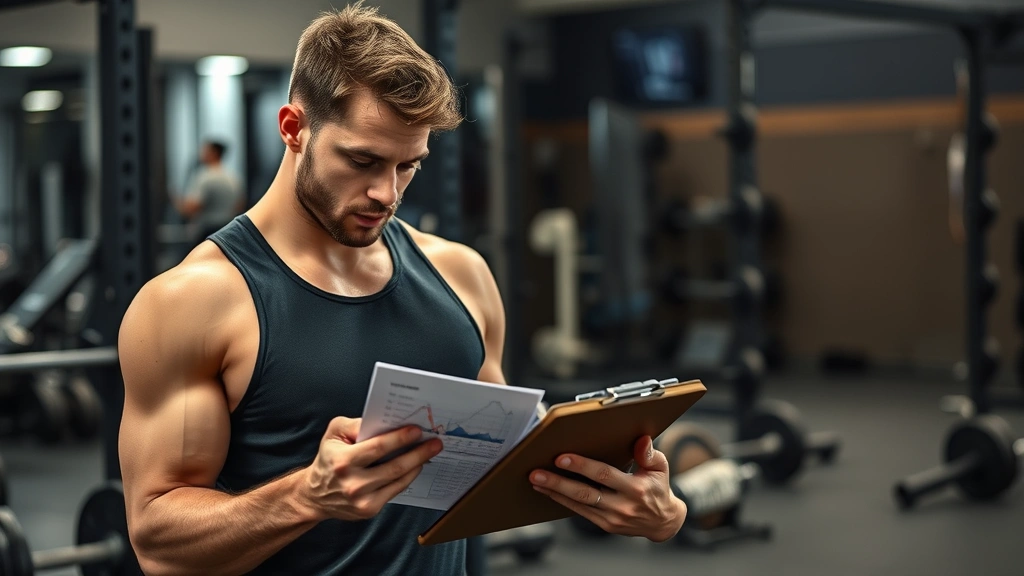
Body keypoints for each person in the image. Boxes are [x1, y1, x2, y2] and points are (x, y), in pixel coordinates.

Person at [117, 4, 687, 575]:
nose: (386, 194)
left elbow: (499, 465)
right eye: (363, 160)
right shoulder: (194, 302)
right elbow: (158, 543)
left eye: (408, 165)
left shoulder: (460, 274)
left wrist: (632, 500)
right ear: (294, 128)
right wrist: (305, 498)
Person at [174, 139, 245, 249]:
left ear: (214, 153)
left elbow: (191, 209)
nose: (201, 154)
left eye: (205, 150)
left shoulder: (204, 177)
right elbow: (239, 205)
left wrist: (176, 200)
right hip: (228, 231)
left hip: (206, 233)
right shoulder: (233, 178)